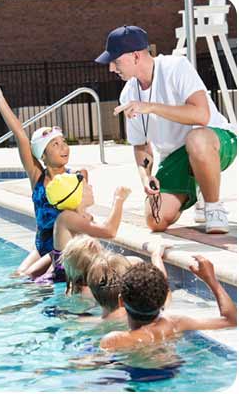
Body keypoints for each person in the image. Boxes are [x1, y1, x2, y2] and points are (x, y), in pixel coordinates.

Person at [95, 26, 237, 234]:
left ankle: (213, 208)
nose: (111, 68)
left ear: (135, 56)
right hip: (176, 157)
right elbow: (141, 145)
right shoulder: (128, 94)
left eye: (115, 61)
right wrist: (145, 177)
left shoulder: (175, 67)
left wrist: (151, 107)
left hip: (214, 140)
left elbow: (202, 115)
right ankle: (197, 189)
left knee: (196, 139)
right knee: (155, 219)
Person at [0, 80, 87, 282]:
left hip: (63, 245)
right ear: (42, 156)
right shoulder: (37, 176)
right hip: (42, 245)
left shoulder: (77, 177)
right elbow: (20, 135)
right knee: (17, 277)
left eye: (64, 142)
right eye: (55, 144)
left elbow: (82, 214)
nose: (64, 148)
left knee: (30, 279)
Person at [100, 255, 237, 351]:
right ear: (163, 300)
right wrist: (211, 280)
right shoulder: (177, 323)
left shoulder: (115, 340)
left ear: (121, 301)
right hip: (172, 372)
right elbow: (231, 321)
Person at [21, 173, 131, 282]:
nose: (91, 187)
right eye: (86, 186)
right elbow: (109, 231)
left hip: (71, 277)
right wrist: (119, 199)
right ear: (77, 194)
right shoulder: (67, 217)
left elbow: (56, 254)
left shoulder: (78, 218)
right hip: (67, 280)